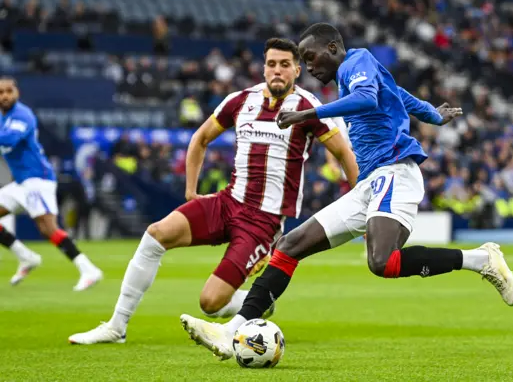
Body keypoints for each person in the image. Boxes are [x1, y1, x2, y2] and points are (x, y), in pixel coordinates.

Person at [179, 23, 513, 360]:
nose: (309, 67)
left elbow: (367, 98)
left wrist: (306, 114)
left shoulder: (359, 61)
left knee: (381, 262)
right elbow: (395, 92)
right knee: (290, 245)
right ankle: (231, 330)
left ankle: (481, 260)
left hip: (395, 171)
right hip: (370, 183)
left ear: (332, 49)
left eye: (310, 58)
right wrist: (431, 114)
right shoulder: (356, 75)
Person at [68, 38, 358, 344]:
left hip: (262, 223)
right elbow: (200, 138)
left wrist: (361, 200)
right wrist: (191, 191)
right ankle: (117, 326)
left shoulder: (308, 107)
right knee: (155, 234)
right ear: (263, 67)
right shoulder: (240, 100)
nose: (277, 71)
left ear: (297, 70)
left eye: (285, 65)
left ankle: (255, 303)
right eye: (271, 64)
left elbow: (344, 154)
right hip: (227, 202)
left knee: (209, 303)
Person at [0, 76, 103, 290]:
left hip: (38, 179)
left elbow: (9, 140)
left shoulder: (22, 115)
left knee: (48, 228)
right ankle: (26, 257)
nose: (5, 96)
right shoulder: (4, 118)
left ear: (17, 92)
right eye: (1, 92)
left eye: (9, 91)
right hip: (21, 182)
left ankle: (88, 269)